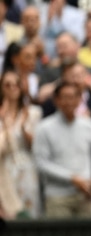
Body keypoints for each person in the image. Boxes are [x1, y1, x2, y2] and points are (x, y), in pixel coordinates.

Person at [33, 82, 91, 218]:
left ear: (80, 99)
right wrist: (72, 179)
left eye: (73, 97)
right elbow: (41, 163)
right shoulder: (44, 128)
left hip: (86, 195)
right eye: (65, 97)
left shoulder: (89, 124)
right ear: (56, 100)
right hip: (57, 197)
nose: (69, 102)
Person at [0, 70, 42, 218]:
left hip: (27, 166)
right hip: (4, 168)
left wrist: (24, 129)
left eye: (16, 84)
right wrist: (5, 122)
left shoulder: (33, 113)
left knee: (30, 212)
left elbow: (38, 147)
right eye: (7, 85)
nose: (13, 88)